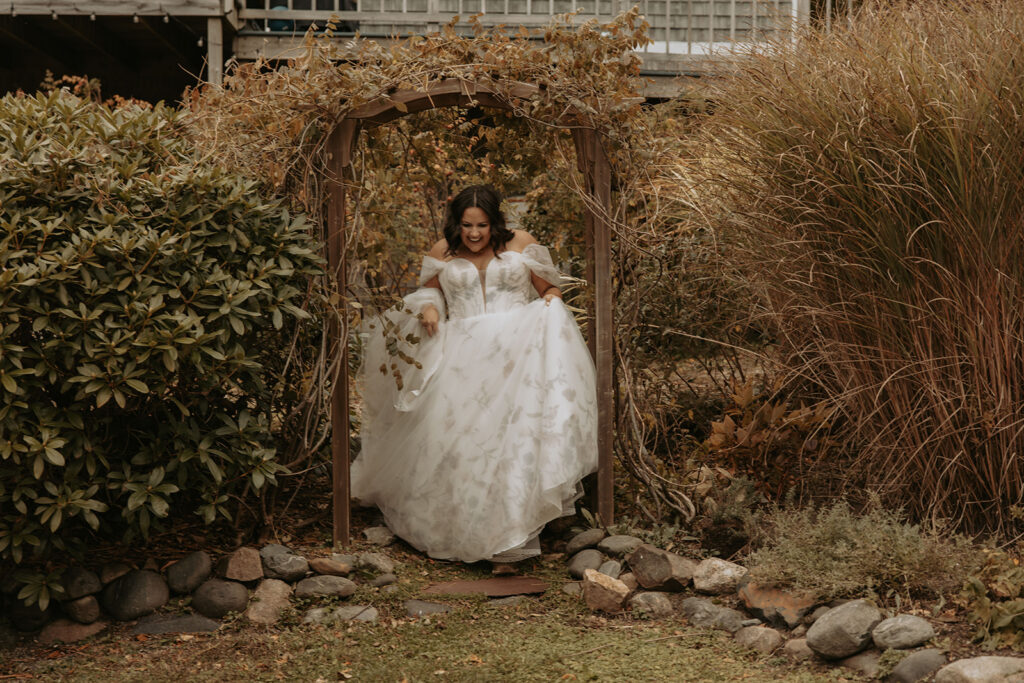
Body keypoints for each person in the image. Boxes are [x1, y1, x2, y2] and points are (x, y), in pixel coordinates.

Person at [352, 185, 597, 564]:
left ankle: (511, 540)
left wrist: (550, 304)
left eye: (482, 225)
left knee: (514, 443)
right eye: (467, 225)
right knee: (461, 444)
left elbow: (550, 289)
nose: (475, 234)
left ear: (495, 221)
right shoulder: (442, 251)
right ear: (457, 223)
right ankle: (464, 528)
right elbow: (428, 293)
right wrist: (430, 309)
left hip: (518, 355)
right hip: (462, 356)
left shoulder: (522, 243)